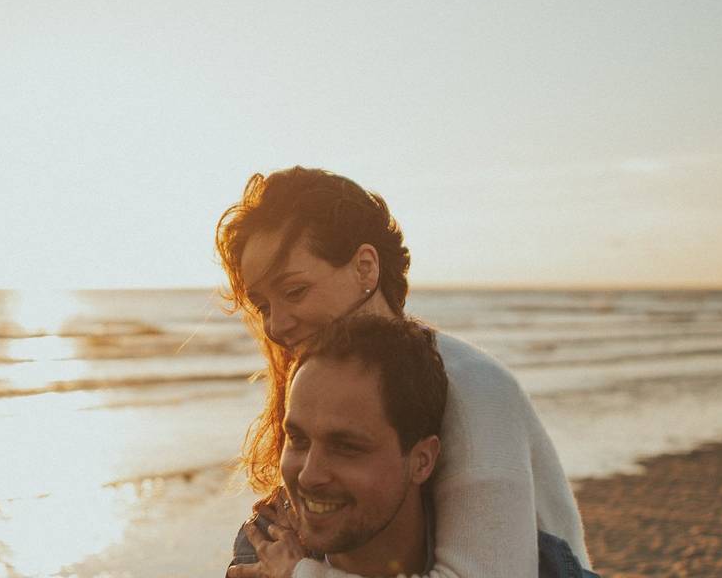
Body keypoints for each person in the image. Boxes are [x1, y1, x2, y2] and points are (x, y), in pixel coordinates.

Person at [216, 166, 592, 577]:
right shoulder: (323, 386)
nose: (276, 326)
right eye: (264, 306)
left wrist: (297, 574)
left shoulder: (472, 387)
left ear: (364, 268)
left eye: (294, 292)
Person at [227, 314, 597, 578]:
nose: (309, 474)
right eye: (298, 439)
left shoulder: (535, 567)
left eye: (347, 446)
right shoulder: (260, 556)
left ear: (422, 460)